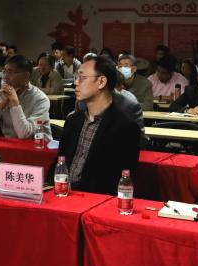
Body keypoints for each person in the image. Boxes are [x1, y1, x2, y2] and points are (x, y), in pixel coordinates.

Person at [58, 56, 141, 195]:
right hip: (63, 194)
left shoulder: (126, 128)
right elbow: (60, 163)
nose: (76, 83)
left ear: (101, 82)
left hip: (95, 199)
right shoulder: (73, 121)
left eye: (82, 77)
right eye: (76, 77)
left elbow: (120, 180)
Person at [0, 54, 50, 139]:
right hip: (11, 145)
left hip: (38, 145)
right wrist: (1, 105)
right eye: (4, 71)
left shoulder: (41, 99)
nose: (5, 77)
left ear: (26, 76)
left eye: (10, 72)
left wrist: (14, 103)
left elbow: (25, 134)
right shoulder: (0, 97)